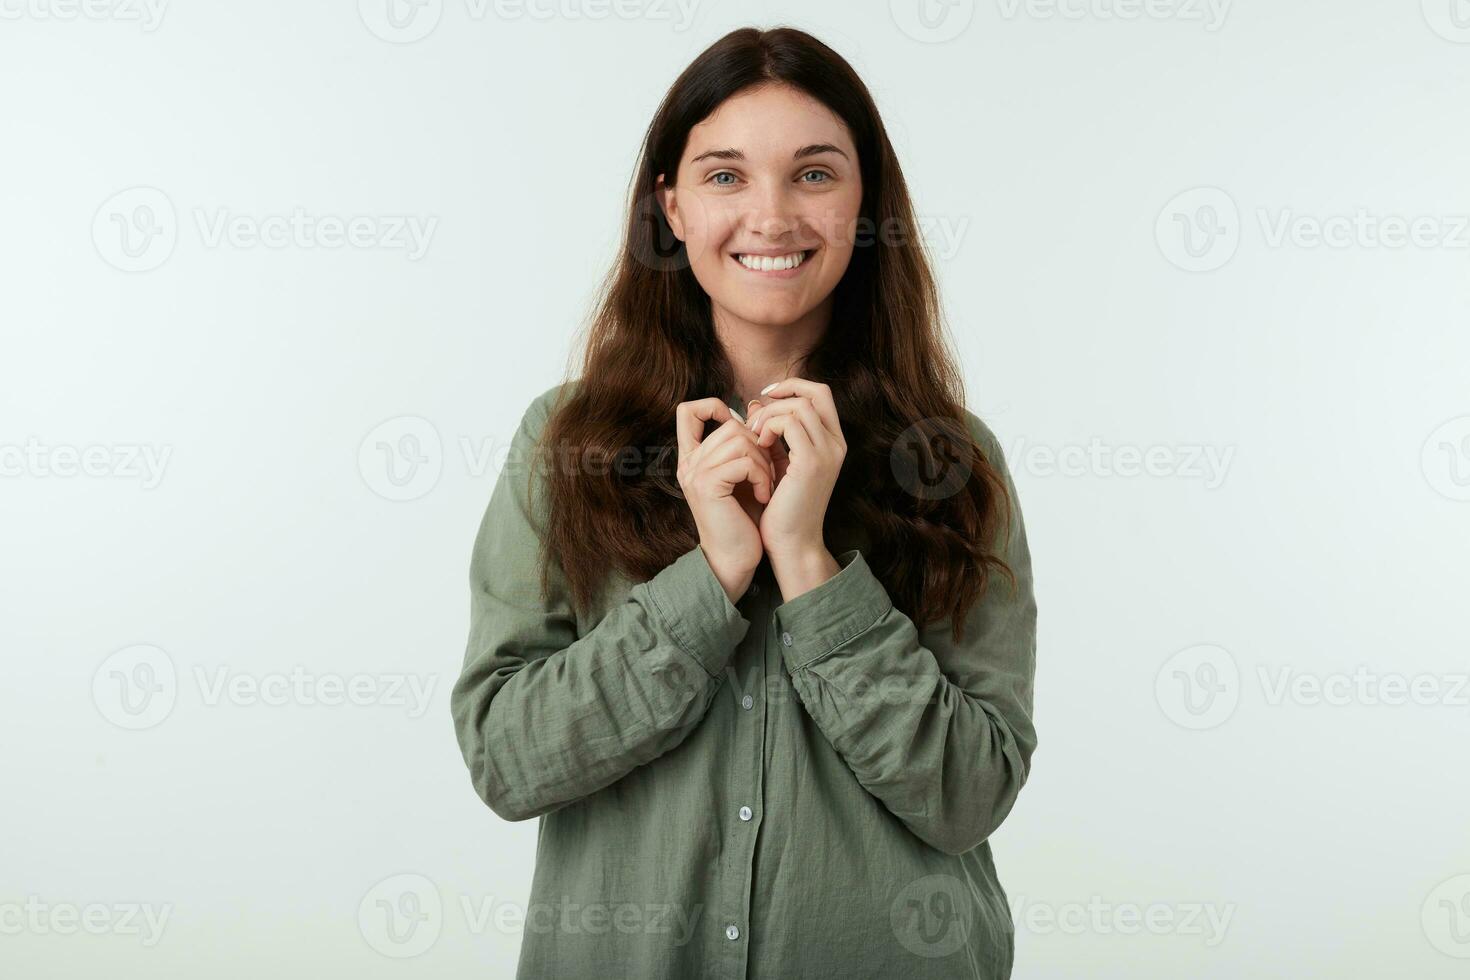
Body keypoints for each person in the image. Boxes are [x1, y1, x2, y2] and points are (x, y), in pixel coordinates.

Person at [449, 25, 1038, 980]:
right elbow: (507, 762)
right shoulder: (565, 445)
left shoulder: (954, 461)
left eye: (814, 174)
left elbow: (970, 794)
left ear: (867, 205)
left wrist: (807, 563)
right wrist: (710, 580)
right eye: (726, 176)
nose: (771, 215)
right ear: (671, 207)